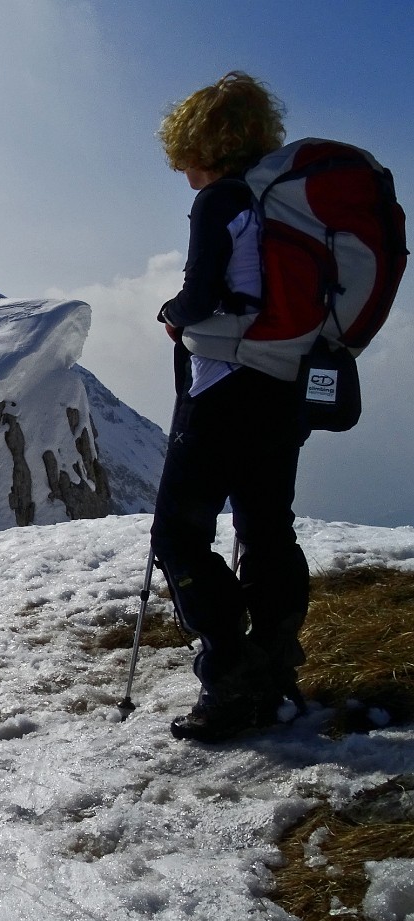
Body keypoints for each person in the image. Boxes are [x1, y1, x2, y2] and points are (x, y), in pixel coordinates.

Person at [151, 72, 311, 743]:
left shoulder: (220, 200)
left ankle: (232, 676)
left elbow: (202, 292)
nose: (181, 167)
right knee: (266, 523)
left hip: (225, 385)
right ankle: (275, 671)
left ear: (201, 144)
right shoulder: (280, 202)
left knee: (179, 534)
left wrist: (170, 315)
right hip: (285, 383)